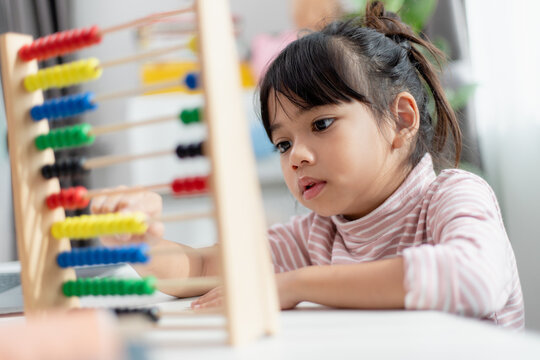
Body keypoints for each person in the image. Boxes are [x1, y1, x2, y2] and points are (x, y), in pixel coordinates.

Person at [91, 2, 524, 330]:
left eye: (321, 123)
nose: (295, 155)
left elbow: (474, 277)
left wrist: (295, 285)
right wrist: (142, 243)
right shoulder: (316, 235)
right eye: (282, 143)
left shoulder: (452, 195)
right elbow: (203, 270)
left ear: (401, 120)